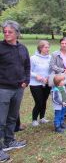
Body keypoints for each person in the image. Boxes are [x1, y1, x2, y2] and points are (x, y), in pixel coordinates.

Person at [0, 20, 29, 161]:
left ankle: (9, 141)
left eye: (10, 32)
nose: (6, 34)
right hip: (3, 89)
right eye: (4, 31)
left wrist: (26, 80)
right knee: (1, 120)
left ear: (17, 33)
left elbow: (27, 66)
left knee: (12, 117)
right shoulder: (0, 47)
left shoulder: (22, 48)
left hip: (18, 89)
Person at [49, 37, 66, 117]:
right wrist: (62, 70)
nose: (64, 45)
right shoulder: (55, 54)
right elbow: (52, 66)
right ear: (60, 44)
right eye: (62, 43)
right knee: (60, 94)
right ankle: (60, 112)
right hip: (59, 78)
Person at [30, 40, 51, 127]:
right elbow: (28, 70)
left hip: (47, 83)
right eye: (46, 47)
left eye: (48, 47)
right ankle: (34, 119)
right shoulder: (33, 58)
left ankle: (42, 118)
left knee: (44, 101)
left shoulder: (50, 57)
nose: (48, 49)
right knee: (39, 102)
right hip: (35, 84)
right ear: (41, 48)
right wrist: (36, 76)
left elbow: (51, 70)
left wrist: (49, 77)